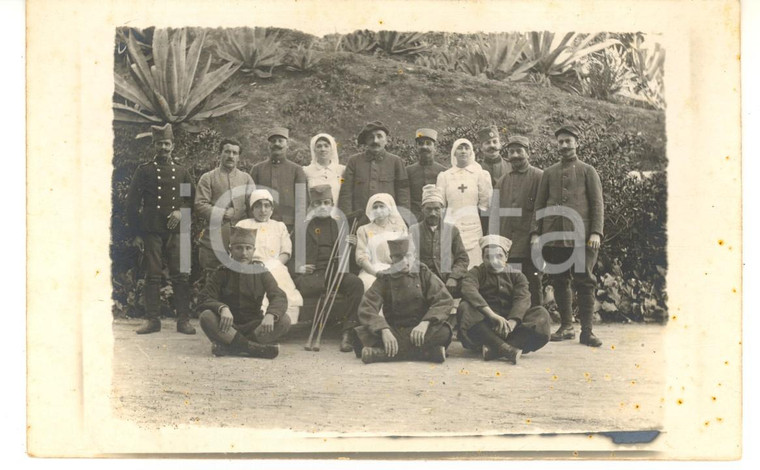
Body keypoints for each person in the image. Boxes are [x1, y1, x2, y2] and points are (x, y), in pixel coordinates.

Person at [531, 124, 605, 347]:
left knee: (585, 281)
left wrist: (596, 232)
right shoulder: (549, 173)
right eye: (561, 141)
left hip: (582, 237)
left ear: (577, 143)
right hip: (554, 235)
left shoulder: (587, 171)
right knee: (560, 280)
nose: (564, 145)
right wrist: (536, 232)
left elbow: (597, 204)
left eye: (568, 141)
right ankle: (566, 327)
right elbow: (539, 204)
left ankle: (587, 331)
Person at [125, 123, 196, 335]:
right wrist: (136, 233)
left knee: (181, 274)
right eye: (159, 144)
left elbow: (189, 199)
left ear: (172, 145)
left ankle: (183, 320)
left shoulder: (181, 172)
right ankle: (152, 320)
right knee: (152, 275)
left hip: (177, 231)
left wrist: (180, 212)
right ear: (154, 146)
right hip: (151, 230)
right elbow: (131, 203)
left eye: (166, 144)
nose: (163, 148)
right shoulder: (144, 171)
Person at [354, 237, 454, 364]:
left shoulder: (423, 273)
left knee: (444, 332)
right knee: (360, 336)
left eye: (408, 256)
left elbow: (444, 299)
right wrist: (384, 330)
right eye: (399, 258)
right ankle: (427, 353)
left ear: (414, 256)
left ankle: (381, 354)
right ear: (392, 258)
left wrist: (425, 323)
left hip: (420, 331)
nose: (405, 262)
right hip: (394, 330)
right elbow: (367, 307)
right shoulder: (385, 278)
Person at [197, 227, 290, 358]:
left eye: (248, 248)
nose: (244, 253)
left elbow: (278, 296)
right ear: (230, 251)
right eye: (238, 248)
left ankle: (230, 347)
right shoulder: (222, 272)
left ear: (254, 251)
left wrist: (271, 314)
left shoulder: (261, 272)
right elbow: (204, 297)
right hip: (228, 326)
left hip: (254, 327)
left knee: (284, 320)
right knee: (206, 316)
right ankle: (254, 348)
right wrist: (222, 308)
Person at [457, 235, 551, 364]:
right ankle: (506, 349)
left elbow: (522, 299)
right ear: (482, 258)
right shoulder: (476, 273)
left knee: (541, 314)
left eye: (499, 256)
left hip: (511, 328)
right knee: (465, 307)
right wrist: (492, 315)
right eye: (488, 257)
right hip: (485, 326)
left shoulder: (517, 276)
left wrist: (512, 323)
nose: (493, 261)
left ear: (506, 257)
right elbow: (468, 290)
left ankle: (495, 349)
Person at [295, 184, 364, 352]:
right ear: (311, 206)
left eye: (326, 203)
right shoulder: (302, 227)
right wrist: (300, 267)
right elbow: (291, 256)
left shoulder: (340, 225)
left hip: (335, 271)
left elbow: (351, 262)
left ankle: (347, 332)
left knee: (356, 284)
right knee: (309, 285)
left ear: (332, 204)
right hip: (313, 274)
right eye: (317, 203)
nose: (322, 207)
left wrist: (352, 246)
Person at [236, 189, 303, 324]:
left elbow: (286, 252)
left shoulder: (279, 226)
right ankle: (257, 323)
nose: (263, 210)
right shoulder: (243, 225)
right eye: (258, 206)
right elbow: (236, 251)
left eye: (267, 206)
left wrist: (273, 265)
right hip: (249, 268)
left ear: (272, 209)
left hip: (275, 267)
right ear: (252, 209)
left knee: (283, 292)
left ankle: (281, 323)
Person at [195, 138, 256, 273]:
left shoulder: (246, 178)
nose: (230, 156)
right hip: (213, 239)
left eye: (235, 153)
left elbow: (253, 207)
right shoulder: (208, 177)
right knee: (211, 277)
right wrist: (222, 213)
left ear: (238, 157)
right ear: (220, 154)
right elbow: (200, 204)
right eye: (227, 152)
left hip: (240, 241)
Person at [497, 135, 544, 307]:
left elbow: (541, 209)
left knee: (533, 284)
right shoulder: (502, 181)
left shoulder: (539, 176)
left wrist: (536, 233)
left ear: (528, 153)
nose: (515, 155)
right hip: (508, 243)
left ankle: (537, 323)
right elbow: (496, 213)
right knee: (511, 285)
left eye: (519, 151)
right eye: (511, 151)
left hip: (530, 242)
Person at [337, 121, 410, 222]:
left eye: (379, 136)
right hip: (360, 221)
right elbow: (346, 193)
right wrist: (347, 220)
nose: (375, 140)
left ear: (386, 140)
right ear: (366, 141)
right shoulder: (354, 161)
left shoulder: (396, 162)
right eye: (371, 137)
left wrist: (402, 221)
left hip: (388, 221)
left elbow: (403, 194)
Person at [436, 138, 492, 268]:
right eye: (460, 148)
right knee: (452, 260)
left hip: (472, 222)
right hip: (451, 221)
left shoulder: (479, 175)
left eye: (467, 148)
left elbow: (485, 202)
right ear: (454, 153)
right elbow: (441, 204)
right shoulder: (445, 176)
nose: (463, 151)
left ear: (471, 152)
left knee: (474, 262)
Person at [408, 184, 469, 298]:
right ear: (422, 209)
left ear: (443, 209)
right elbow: (411, 259)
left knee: (470, 288)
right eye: (429, 209)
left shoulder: (452, 230)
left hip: (449, 280)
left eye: (437, 209)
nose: (433, 213)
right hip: (424, 280)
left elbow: (462, 258)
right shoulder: (413, 230)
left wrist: (453, 277)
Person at [250, 127, 307, 231]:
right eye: (273, 141)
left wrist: (298, 227)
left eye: (280, 141)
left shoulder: (297, 170)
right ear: (269, 146)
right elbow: (251, 199)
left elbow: (301, 202)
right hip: (262, 223)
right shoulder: (257, 169)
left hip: (288, 225)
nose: (277, 144)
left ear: (287, 145)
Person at [355, 193, 409, 292]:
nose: (378, 210)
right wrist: (376, 273)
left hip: (395, 270)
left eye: (382, 206)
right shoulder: (363, 230)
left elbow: (407, 253)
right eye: (375, 207)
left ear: (389, 209)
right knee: (370, 285)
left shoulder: (400, 228)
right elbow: (361, 257)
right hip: (372, 271)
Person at [405, 128, 446, 221]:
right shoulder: (408, 171)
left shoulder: (443, 172)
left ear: (435, 147)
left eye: (428, 143)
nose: (424, 147)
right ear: (416, 147)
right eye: (421, 143)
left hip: (437, 220)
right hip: (414, 220)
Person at [303, 133, 345, 204]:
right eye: (319, 146)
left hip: (337, 213)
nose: (323, 149)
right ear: (314, 150)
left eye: (326, 146)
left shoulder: (342, 170)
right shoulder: (306, 171)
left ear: (332, 148)